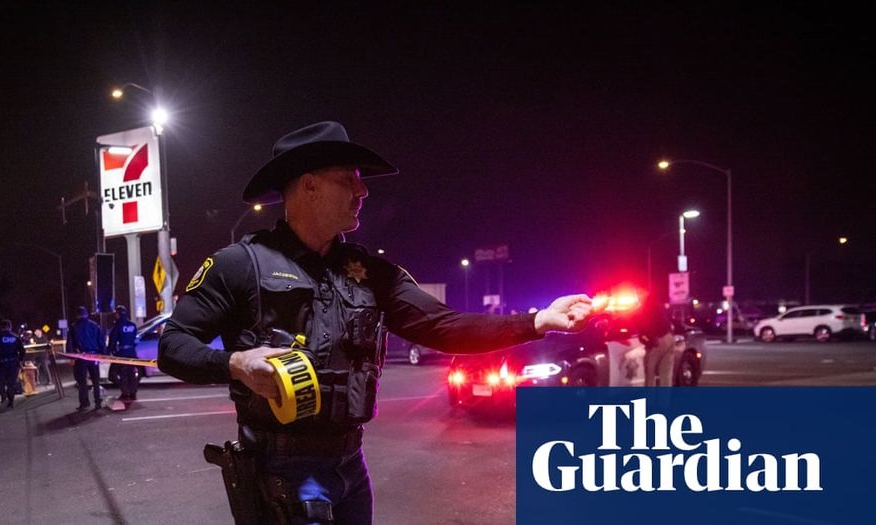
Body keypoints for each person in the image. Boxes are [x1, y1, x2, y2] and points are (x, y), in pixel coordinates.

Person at [158, 121, 596, 524]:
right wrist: (236, 364)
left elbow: (444, 326)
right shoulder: (239, 265)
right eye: (348, 179)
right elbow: (172, 346)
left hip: (350, 466)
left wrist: (539, 321)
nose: (362, 191)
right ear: (309, 186)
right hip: (280, 469)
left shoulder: (370, 272)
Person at [68, 306, 106, 410]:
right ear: (87, 315)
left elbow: (70, 343)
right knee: (96, 380)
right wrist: (103, 354)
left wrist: (71, 356)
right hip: (94, 356)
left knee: (82, 381)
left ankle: (84, 403)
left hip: (81, 356)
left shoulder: (74, 327)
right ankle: (98, 402)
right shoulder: (95, 326)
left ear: (78, 315)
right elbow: (101, 341)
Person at [635, 293, 676, 387]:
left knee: (650, 370)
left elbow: (646, 329)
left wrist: (650, 340)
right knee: (666, 373)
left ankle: (649, 394)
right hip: (669, 337)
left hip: (659, 340)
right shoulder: (657, 305)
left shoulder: (646, 308)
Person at [0, 320, 26, 408]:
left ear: (1, 327)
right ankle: (11, 401)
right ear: (10, 327)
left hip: (0, 364)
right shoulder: (15, 337)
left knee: (0, 383)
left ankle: (4, 398)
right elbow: (22, 350)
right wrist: (20, 360)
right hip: (13, 363)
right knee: (11, 383)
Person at [107, 305, 139, 402]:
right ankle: (133, 393)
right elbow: (135, 339)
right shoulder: (133, 325)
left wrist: (111, 350)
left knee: (122, 373)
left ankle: (125, 393)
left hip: (122, 353)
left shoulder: (118, 325)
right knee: (131, 373)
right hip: (132, 352)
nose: (115, 315)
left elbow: (113, 340)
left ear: (118, 314)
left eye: (116, 313)